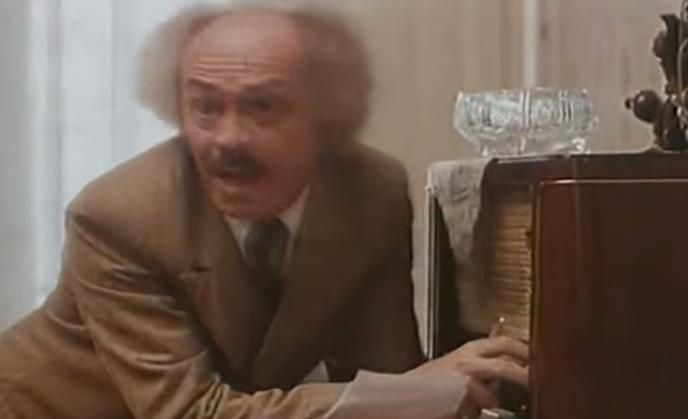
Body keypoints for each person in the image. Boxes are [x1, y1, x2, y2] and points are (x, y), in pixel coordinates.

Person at [0, 1, 528, 418]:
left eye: (262, 106)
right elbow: (192, 412)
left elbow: (388, 376)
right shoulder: (115, 217)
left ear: (327, 113)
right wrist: (414, 393)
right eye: (205, 107)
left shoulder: (373, 193)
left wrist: (446, 388)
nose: (228, 138)